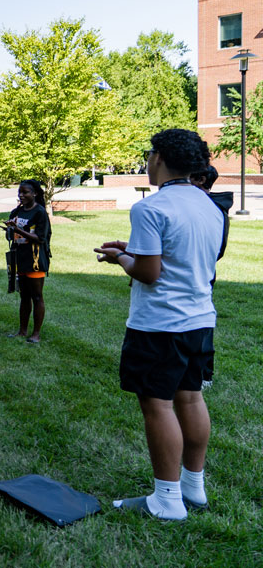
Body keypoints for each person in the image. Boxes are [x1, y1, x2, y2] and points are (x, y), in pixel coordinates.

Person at [94, 129, 223, 521]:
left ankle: (166, 501)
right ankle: (192, 488)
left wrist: (121, 259)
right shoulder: (209, 206)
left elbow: (148, 273)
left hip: (160, 325)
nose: (147, 161)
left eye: (150, 154)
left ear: (162, 159)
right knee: (191, 398)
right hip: (200, 320)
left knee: (158, 406)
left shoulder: (150, 208)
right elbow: (186, 258)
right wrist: (133, 251)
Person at [3, 179, 50, 343]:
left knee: (36, 296)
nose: (21, 195)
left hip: (35, 259)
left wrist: (18, 230)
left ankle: (35, 334)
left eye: (25, 192)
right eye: (19, 193)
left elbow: (41, 238)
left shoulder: (40, 212)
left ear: (35, 193)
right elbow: (11, 236)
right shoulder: (16, 212)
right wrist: (10, 230)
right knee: (24, 296)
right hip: (20, 258)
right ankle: (22, 331)